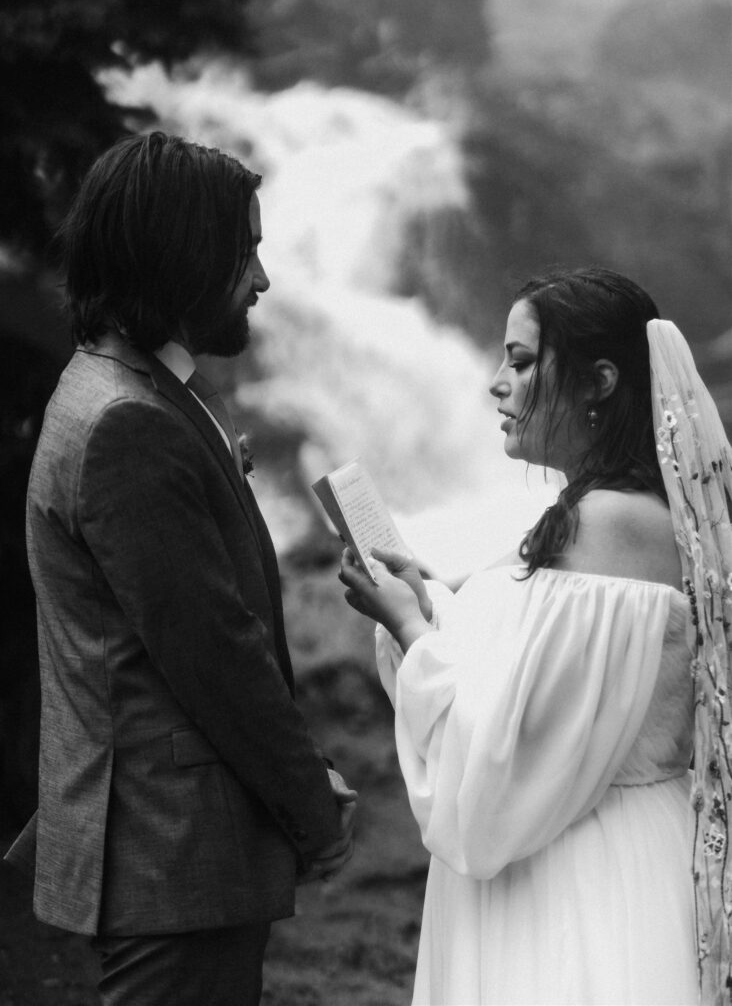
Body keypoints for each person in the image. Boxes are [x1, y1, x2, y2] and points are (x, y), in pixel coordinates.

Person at [4, 131, 357, 1006]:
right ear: (185, 258)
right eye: (248, 253)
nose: (264, 281)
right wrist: (310, 811)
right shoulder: (130, 422)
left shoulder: (119, 386)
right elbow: (216, 656)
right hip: (172, 856)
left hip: (166, 847)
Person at [339, 267, 732, 1005]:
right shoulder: (630, 515)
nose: (496, 383)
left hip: (584, 881)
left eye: (521, 362)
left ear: (600, 381)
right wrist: (436, 607)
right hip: (612, 844)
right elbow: (545, 688)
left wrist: (406, 626)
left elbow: (505, 767)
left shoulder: (606, 526)